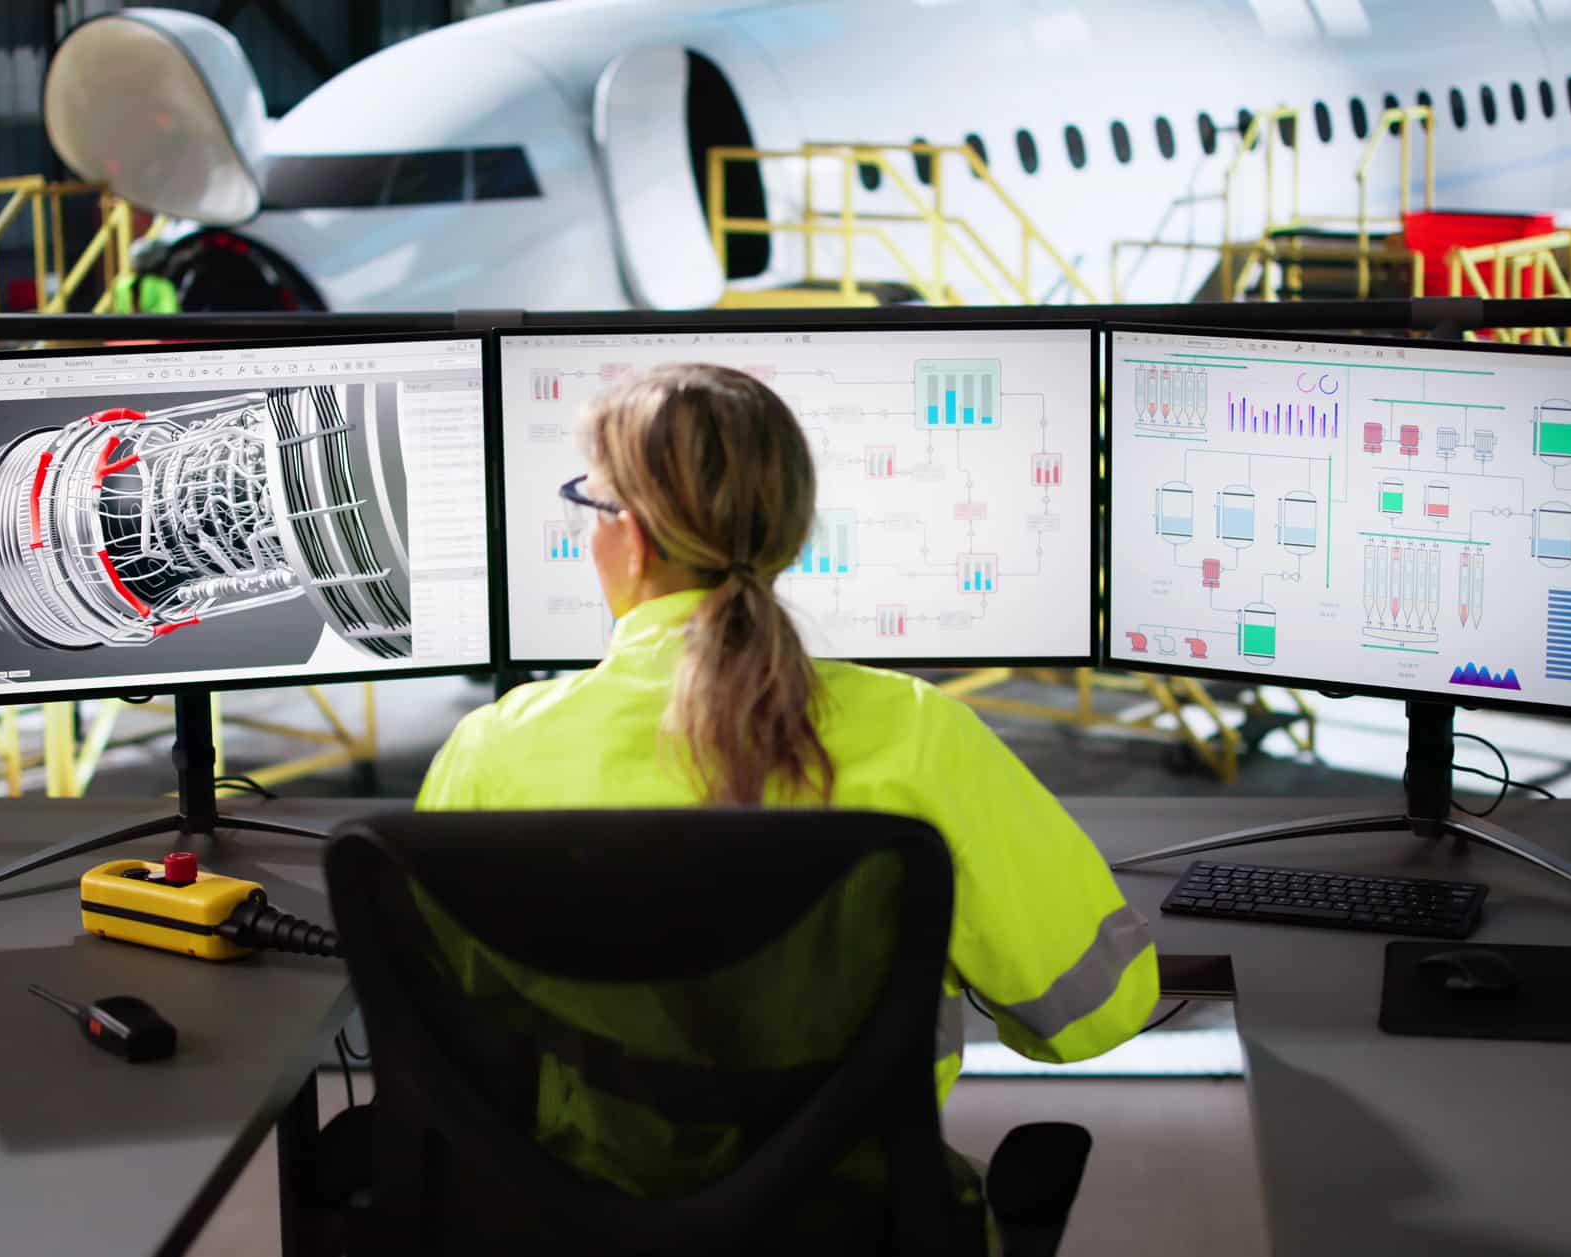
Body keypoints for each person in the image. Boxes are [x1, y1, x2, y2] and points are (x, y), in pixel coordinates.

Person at [417, 363, 1160, 1110]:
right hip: (854, 1217)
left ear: (632, 540)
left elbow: (432, 1019)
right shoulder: (918, 732)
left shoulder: (494, 752)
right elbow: (1097, 1012)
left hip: (564, 1216)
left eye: (589, 505)